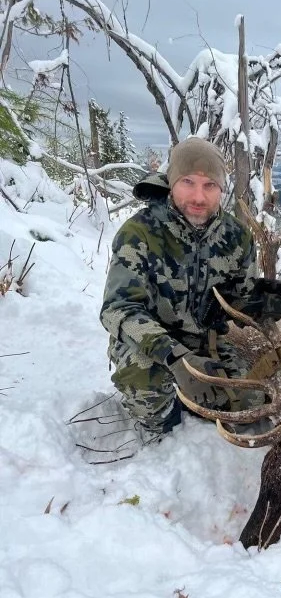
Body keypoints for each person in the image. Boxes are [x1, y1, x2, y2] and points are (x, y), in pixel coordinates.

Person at [100, 137, 259, 439]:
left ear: (221, 190)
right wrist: (176, 357)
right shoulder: (140, 233)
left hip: (206, 343)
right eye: (188, 182)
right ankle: (170, 411)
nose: (199, 196)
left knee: (250, 406)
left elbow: (244, 301)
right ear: (172, 182)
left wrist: (280, 304)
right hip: (149, 343)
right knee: (152, 403)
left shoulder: (237, 237)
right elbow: (116, 310)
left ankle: (194, 398)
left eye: (210, 185)